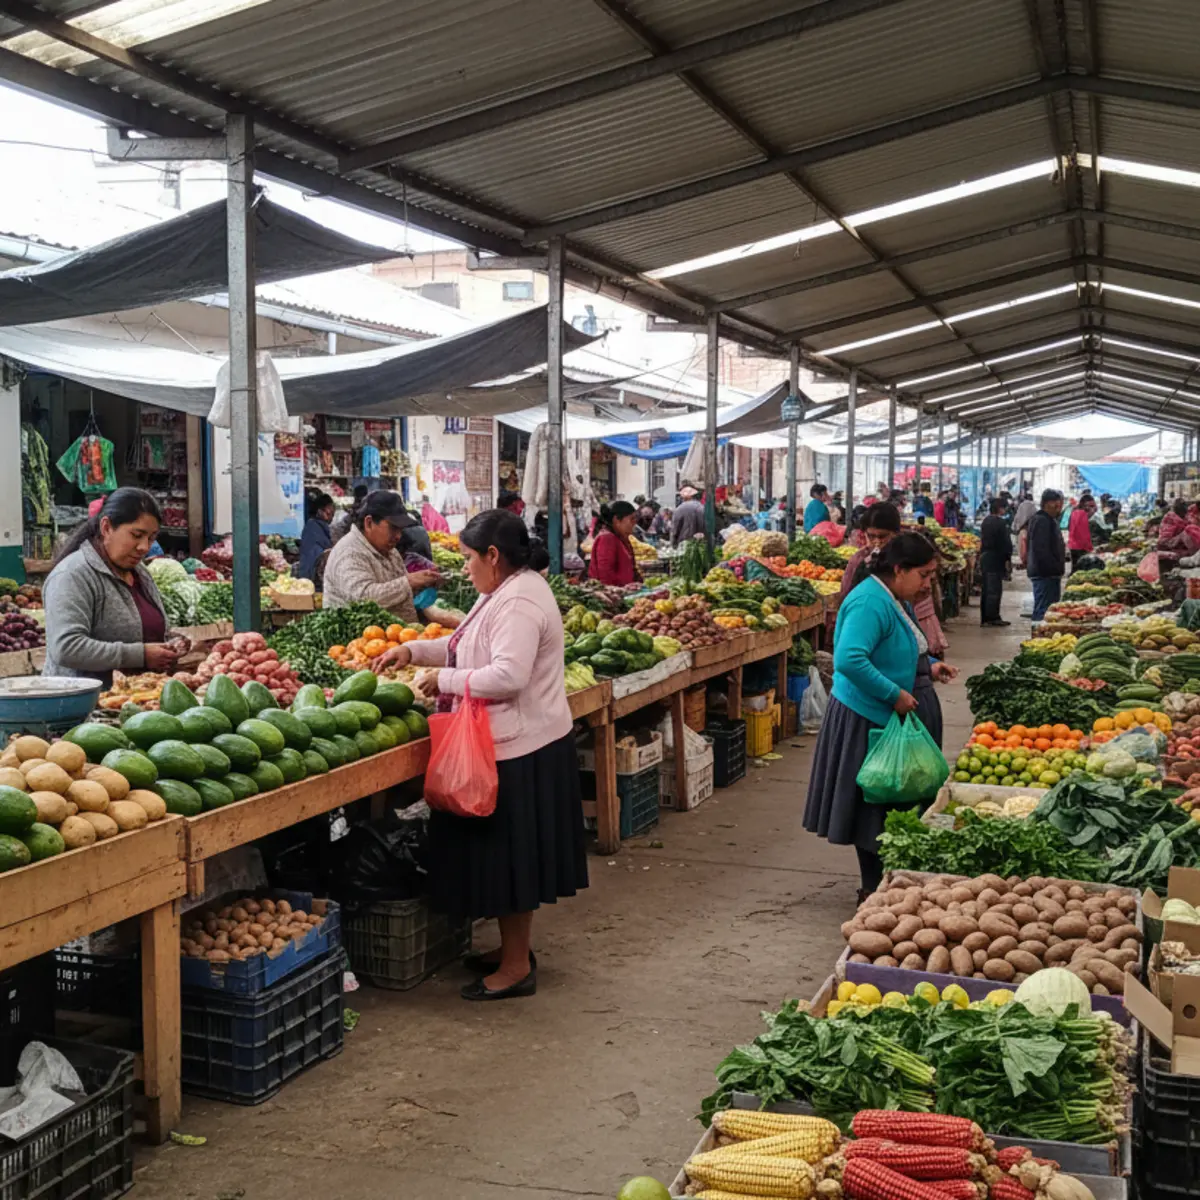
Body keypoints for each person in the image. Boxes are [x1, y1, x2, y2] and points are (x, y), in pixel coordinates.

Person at [378, 510, 587, 1000]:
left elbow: (507, 676)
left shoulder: (518, 602)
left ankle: (515, 967)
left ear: (493, 556)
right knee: (506, 860)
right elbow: (467, 647)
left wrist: (442, 681)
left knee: (510, 862)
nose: (464, 567)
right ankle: (510, 952)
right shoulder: (506, 589)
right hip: (517, 741)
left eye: (469, 557)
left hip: (521, 746)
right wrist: (413, 654)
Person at [803, 533, 946, 899]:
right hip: (867, 718)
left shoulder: (895, 598)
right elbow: (850, 659)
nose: (928, 584)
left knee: (893, 803)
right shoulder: (869, 602)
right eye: (924, 575)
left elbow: (897, 648)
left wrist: (928, 668)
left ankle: (890, 881)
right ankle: (873, 888)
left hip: (891, 715)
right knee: (875, 807)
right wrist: (893, 693)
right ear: (899, 570)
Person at [43, 488, 181, 686]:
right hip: (82, 705)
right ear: (106, 527)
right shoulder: (72, 574)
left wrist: (170, 644)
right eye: (136, 535)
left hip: (136, 699)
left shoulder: (138, 572)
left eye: (151, 538)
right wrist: (141, 655)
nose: (144, 547)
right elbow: (66, 647)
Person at [322, 490, 440, 621]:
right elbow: (363, 598)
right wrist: (410, 581)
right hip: (362, 640)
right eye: (393, 528)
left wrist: (422, 583)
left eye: (401, 530)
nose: (398, 536)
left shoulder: (390, 551)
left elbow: (399, 590)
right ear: (369, 523)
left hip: (398, 636)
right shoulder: (349, 553)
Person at [1027, 489, 1066, 621]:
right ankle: (1038, 639)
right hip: (1044, 574)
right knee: (1043, 611)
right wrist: (1053, 567)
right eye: (1056, 503)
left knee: (1048, 610)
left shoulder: (1048, 519)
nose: (1058, 507)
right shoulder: (1042, 521)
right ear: (1047, 504)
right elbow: (1041, 550)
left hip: (1048, 574)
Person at [588, 501, 641, 586]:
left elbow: (632, 567)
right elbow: (606, 576)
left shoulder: (622, 537)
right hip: (614, 595)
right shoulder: (606, 538)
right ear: (616, 520)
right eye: (631, 519)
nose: (635, 522)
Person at [979, 498, 1013, 627]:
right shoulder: (1000, 523)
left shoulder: (986, 521)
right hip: (995, 558)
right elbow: (1006, 543)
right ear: (1000, 509)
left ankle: (985, 617)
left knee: (986, 589)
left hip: (985, 557)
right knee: (994, 589)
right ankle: (992, 617)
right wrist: (1007, 559)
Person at [298, 492, 335, 582]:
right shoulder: (313, 528)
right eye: (329, 513)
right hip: (312, 578)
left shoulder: (317, 526)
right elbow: (315, 556)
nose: (331, 518)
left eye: (333, 514)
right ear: (319, 511)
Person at [1068, 494, 1096, 568]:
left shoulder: (1076, 511)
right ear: (1083, 504)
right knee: (1080, 567)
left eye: (1092, 506)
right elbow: (1082, 534)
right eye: (1089, 506)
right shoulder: (1080, 513)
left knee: (1076, 567)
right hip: (1079, 546)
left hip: (1074, 545)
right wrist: (1089, 548)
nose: (1090, 508)